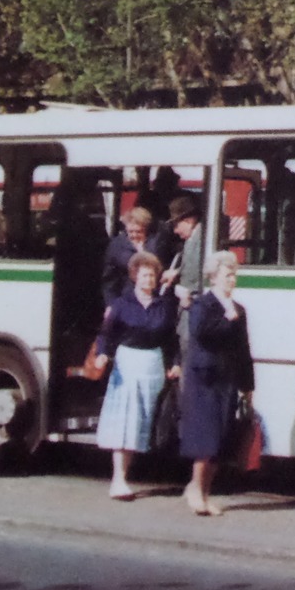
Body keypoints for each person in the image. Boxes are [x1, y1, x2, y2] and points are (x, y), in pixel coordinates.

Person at [92, 251, 178, 501]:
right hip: (128, 363)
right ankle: (118, 479)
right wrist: (102, 354)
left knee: (144, 423)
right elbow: (106, 334)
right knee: (125, 422)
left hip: (152, 365)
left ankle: (131, 474)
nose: (148, 280)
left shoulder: (164, 306)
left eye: (152, 275)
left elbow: (170, 340)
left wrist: (175, 363)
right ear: (134, 277)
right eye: (144, 275)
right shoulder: (121, 304)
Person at [178, 250, 255, 517]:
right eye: (227, 275)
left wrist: (248, 386)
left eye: (234, 274)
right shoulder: (204, 304)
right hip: (204, 379)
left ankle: (204, 492)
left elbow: (244, 350)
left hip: (227, 380)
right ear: (213, 276)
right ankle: (196, 491)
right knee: (205, 440)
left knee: (220, 440)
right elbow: (203, 335)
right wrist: (226, 319)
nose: (232, 279)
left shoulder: (239, 310)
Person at [160, 195, 205, 353]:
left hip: (192, 307)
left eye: (177, 225)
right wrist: (177, 272)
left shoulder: (201, 240)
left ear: (189, 220)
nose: (176, 231)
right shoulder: (193, 239)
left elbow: (200, 273)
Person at [101, 206, 168, 306]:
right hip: (126, 300)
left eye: (138, 231)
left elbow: (160, 266)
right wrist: (111, 304)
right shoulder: (117, 245)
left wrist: (141, 251)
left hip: (153, 299)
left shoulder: (155, 243)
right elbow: (109, 279)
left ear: (146, 229)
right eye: (130, 231)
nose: (134, 235)